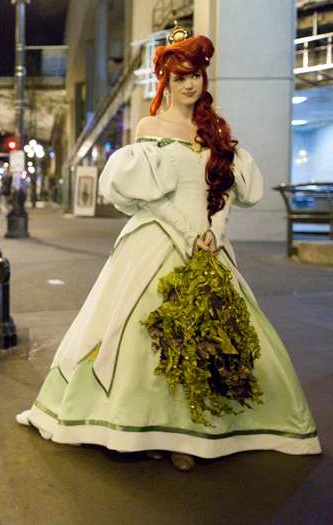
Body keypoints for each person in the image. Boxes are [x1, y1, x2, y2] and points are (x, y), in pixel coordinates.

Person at [16, 28, 321, 472]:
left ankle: (191, 434)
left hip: (209, 244)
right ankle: (148, 431)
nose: (189, 84)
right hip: (158, 239)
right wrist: (187, 233)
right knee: (145, 338)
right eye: (180, 78)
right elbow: (150, 195)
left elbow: (225, 189)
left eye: (195, 75)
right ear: (166, 82)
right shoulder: (150, 128)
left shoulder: (215, 129)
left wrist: (215, 231)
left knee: (210, 340)